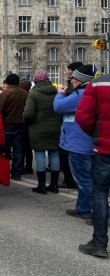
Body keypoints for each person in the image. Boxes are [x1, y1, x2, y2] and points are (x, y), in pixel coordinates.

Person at [54, 65, 96, 220]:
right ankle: (83, 208)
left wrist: (60, 94)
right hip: (86, 142)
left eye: (73, 78)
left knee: (84, 180)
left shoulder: (81, 94)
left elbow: (58, 107)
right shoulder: (89, 93)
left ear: (78, 80)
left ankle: (103, 210)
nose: (70, 80)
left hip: (79, 144)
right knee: (84, 179)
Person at [76, 69, 110, 258]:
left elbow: (84, 116)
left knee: (100, 194)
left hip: (105, 149)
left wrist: (97, 137)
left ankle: (99, 243)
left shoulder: (98, 84)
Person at [23, 72, 62, 194]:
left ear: (36, 82)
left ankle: (41, 186)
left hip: (38, 128)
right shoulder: (56, 93)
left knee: (39, 155)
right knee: (54, 154)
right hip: (55, 127)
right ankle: (54, 185)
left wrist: (25, 121)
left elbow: (28, 114)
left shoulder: (34, 94)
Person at [0, 73, 29, 180]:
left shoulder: (5, 94)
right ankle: (17, 172)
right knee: (18, 149)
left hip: (6, 126)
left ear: (8, 83)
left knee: (4, 149)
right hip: (21, 125)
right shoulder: (25, 94)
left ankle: (4, 170)